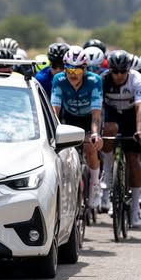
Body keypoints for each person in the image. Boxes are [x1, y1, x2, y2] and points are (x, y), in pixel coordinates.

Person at [50, 46, 104, 209]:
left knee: (90, 148)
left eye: (77, 71)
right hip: (70, 118)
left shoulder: (95, 81)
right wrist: (53, 132)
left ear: (85, 70)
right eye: (69, 70)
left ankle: (95, 184)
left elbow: (96, 115)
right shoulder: (59, 79)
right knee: (64, 152)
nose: (73, 75)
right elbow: (55, 110)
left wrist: (95, 134)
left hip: (89, 119)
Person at [100, 50, 141, 226]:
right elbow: (97, 107)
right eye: (115, 71)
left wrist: (140, 130)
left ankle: (135, 209)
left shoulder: (137, 79)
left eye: (123, 71)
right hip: (111, 114)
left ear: (128, 70)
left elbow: (140, 107)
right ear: (110, 70)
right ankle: (107, 170)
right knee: (109, 129)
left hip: (130, 116)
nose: (119, 75)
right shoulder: (103, 80)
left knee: (133, 160)